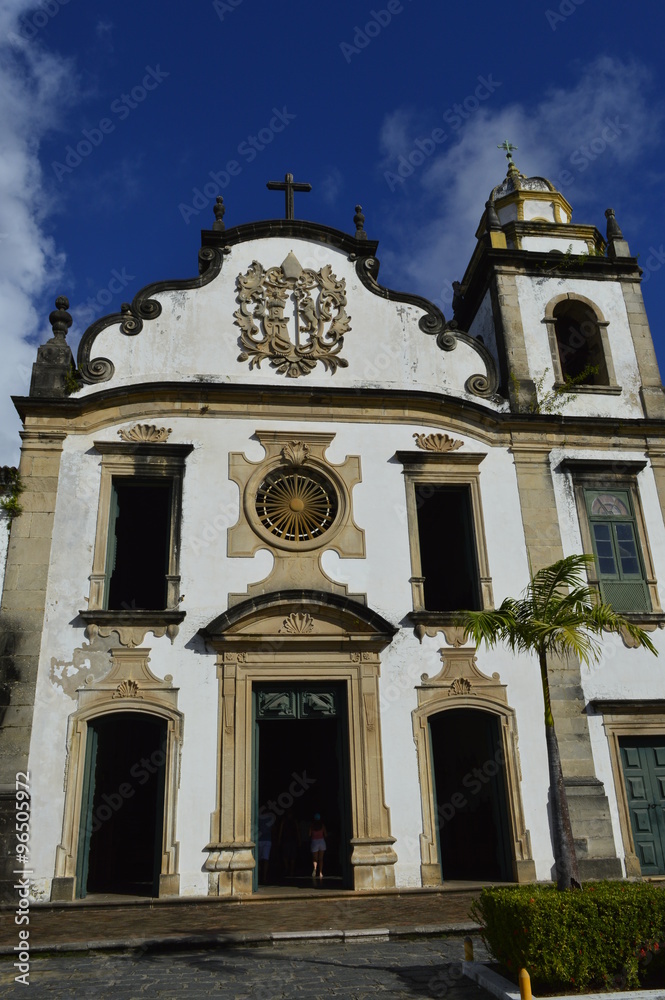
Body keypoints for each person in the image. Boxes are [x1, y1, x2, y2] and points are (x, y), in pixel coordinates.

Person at [277, 809, 300, 878]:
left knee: (290, 856)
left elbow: (298, 831)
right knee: (287, 856)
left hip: (290, 840)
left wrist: (299, 840)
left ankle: (290, 870)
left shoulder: (292, 821)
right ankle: (288, 869)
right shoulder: (285, 821)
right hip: (287, 840)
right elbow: (281, 831)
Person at [309, 812, 327, 878]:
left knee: (315, 858)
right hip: (321, 841)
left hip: (314, 842)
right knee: (321, 858)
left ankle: (315, 868)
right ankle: (320, 872)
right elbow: (325, 834)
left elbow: (309, 834)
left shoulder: (312, 826)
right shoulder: (322, 825)